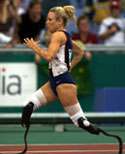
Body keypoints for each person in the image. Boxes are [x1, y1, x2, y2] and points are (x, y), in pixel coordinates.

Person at [21, 5, 101, 135]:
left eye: (50, 19)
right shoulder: (67, 36)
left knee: (79, 121)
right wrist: (69, 67)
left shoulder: (57, 35)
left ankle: (105, 140)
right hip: (55, 81)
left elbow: (49, 56)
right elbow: (79, 53)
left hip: (63, 82)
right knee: (28, 104)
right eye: (47, 19)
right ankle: (25, 125)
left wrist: (35, 48)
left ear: (59, 21)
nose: (47, 22)